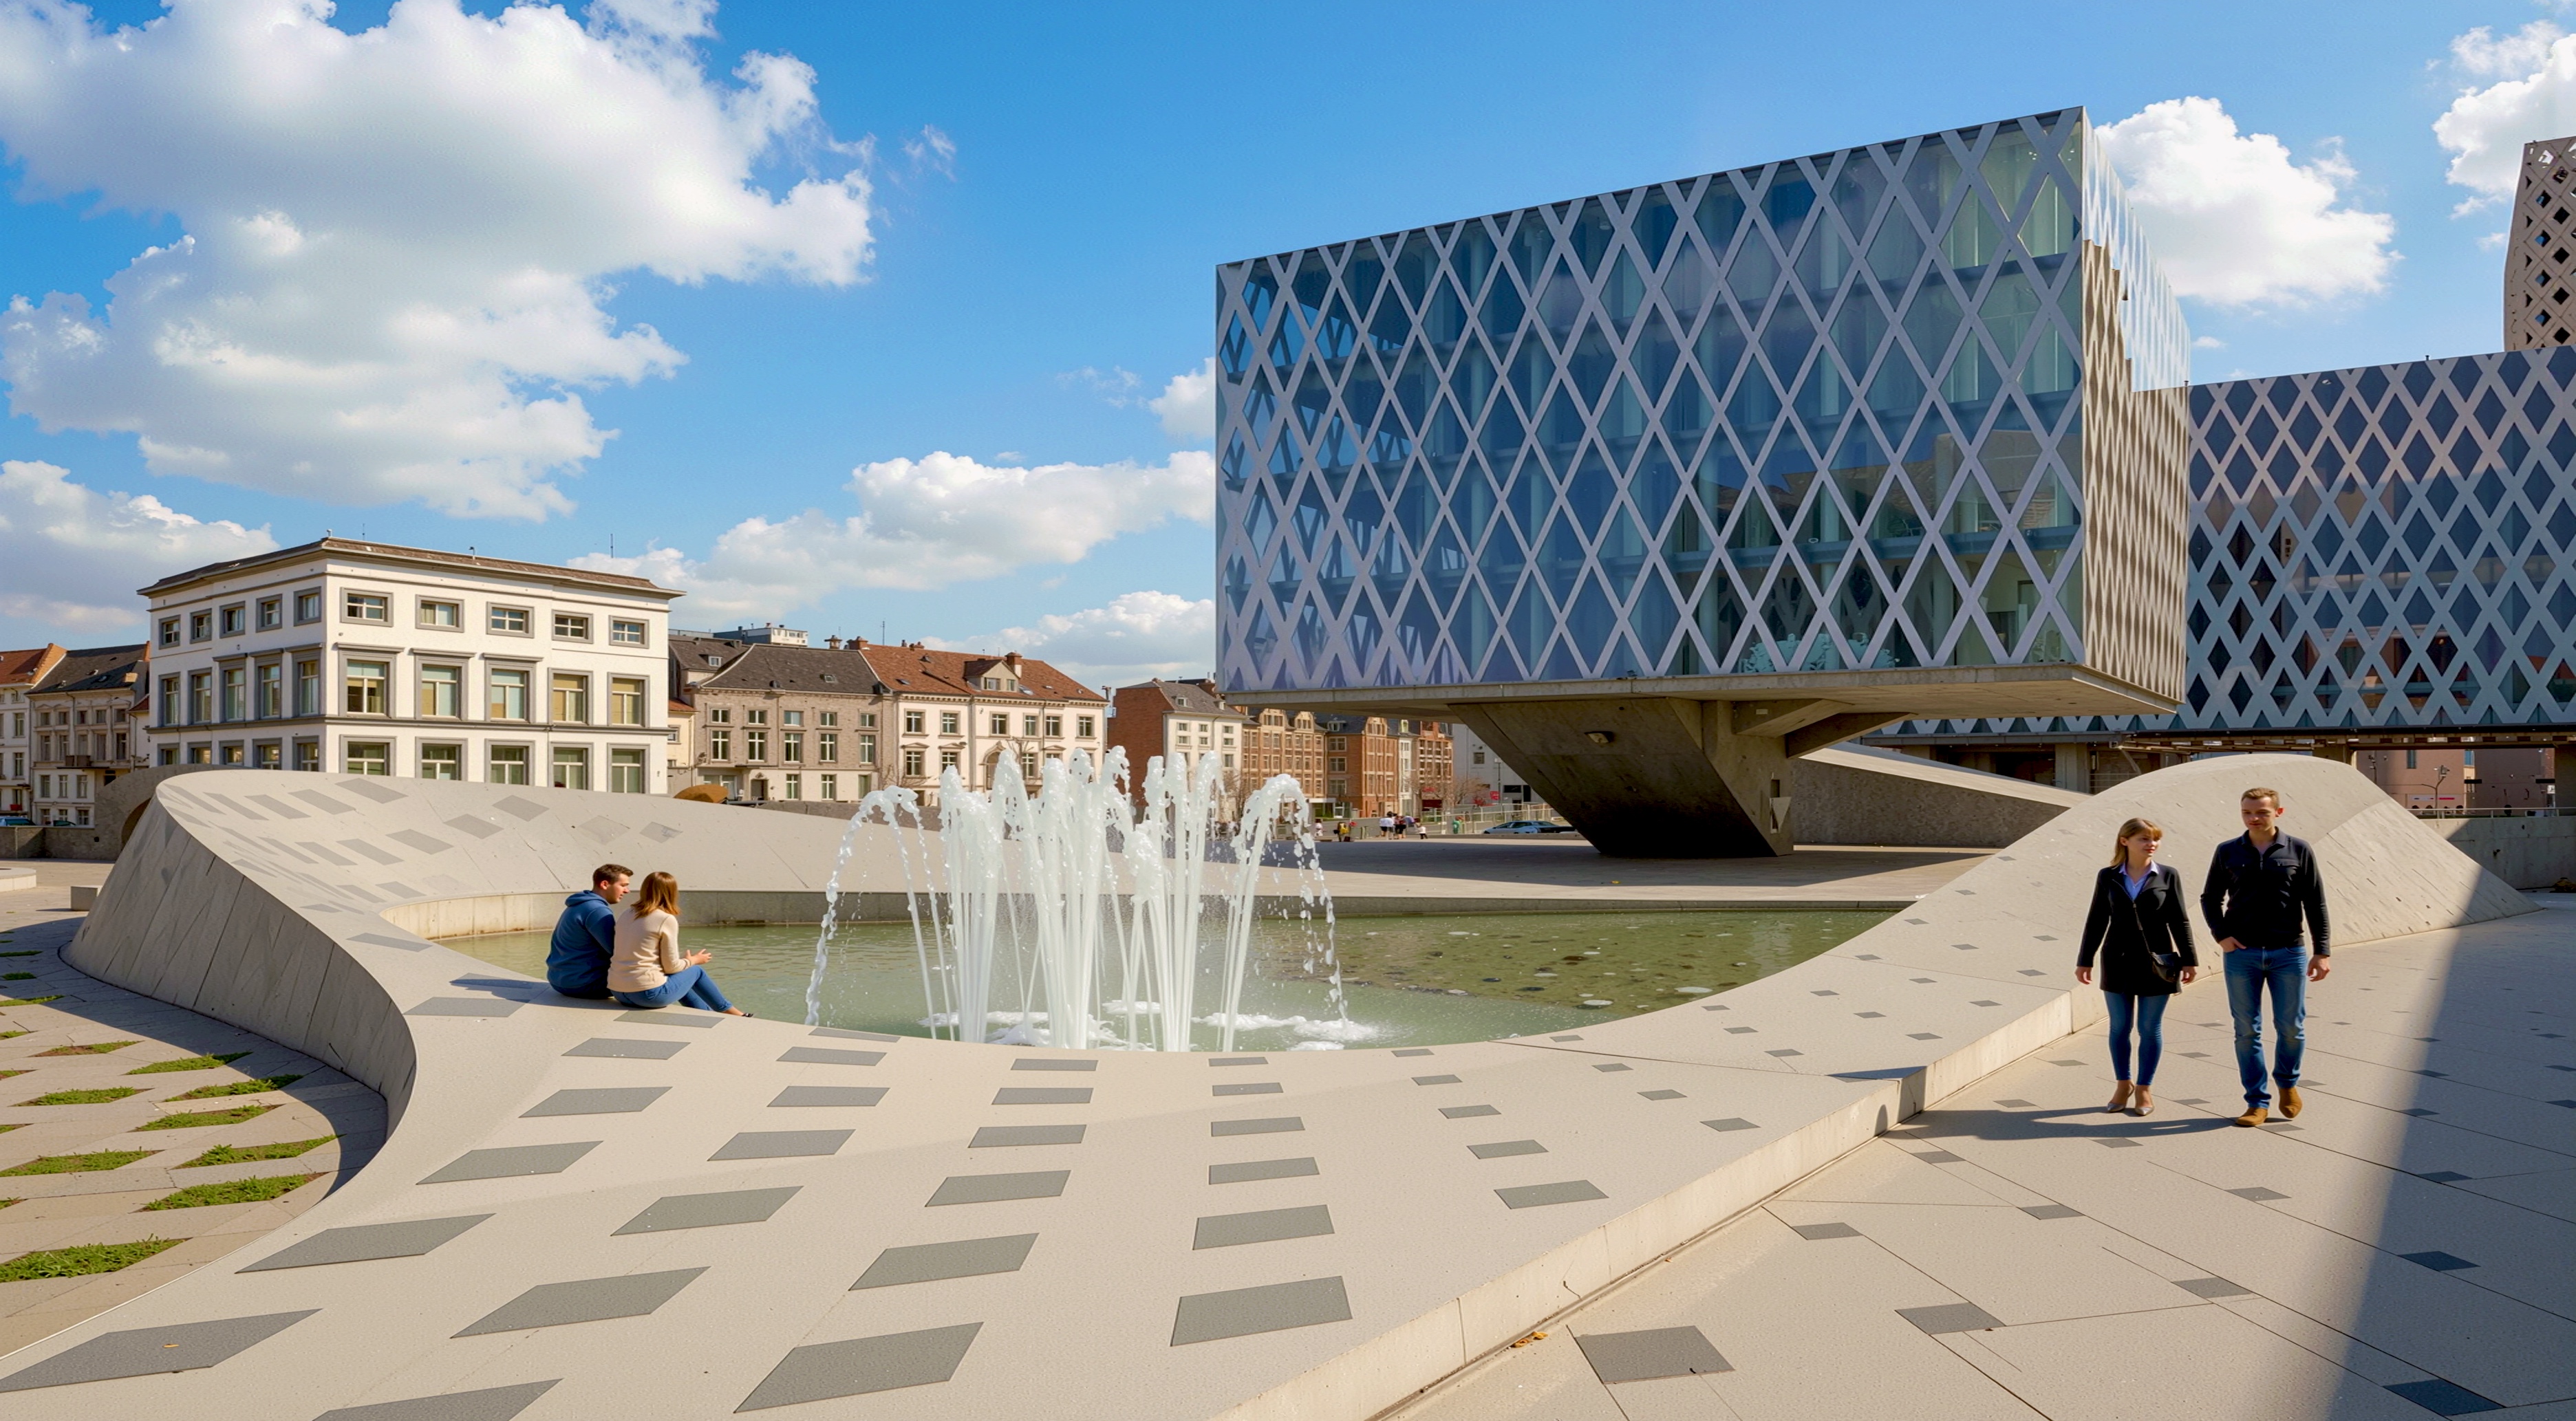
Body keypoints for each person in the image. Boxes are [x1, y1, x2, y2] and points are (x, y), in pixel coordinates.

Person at [2200, 786, 2331, 1127]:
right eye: (2247, 812)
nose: (2254, 818)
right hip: (2241, 955)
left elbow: (2315, 902)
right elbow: (2210, 898)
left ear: (2279, 813)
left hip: (2288, 951)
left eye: (2261, 812)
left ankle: (2287, 1084)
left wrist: (2322, 951)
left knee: (2291, 1028)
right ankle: (2256, 1102)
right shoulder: (2228, 851)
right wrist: (2221, 936)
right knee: (2246, 1030)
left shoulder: (2298, 849)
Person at [2077, 818, 2198, 1116]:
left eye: (2155, 839)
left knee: (2149, 1028)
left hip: (2158, 962)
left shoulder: (2168, 875)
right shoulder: (2108, 876)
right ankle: (2123, 1084)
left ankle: (2144, 1088)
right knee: (2119, 1027)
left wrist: (2190, 959)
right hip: (2116, 959)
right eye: (2144, 839)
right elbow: (2096, 919)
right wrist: (2085, 959)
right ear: (2125, 841)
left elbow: (2179, 920)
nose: (2151, 844)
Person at [608, 871, 750, 1016]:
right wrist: (693, 960)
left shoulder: (627, 913)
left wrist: (685, 963)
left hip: (619, 991)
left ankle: (706, 1014)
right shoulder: (665, 919)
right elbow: (671, 967)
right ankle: (732, 1013)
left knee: (681, 978)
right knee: (695, 971)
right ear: (671, 892)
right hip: (647, 995)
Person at [545, 863, 629, 999]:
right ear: (605, 884)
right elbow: (617, 952)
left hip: (559, 981)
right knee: (666, 975)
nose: (627, 891)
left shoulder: (578, 905)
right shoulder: (597, 910)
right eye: (623, 885)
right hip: (585, 985)